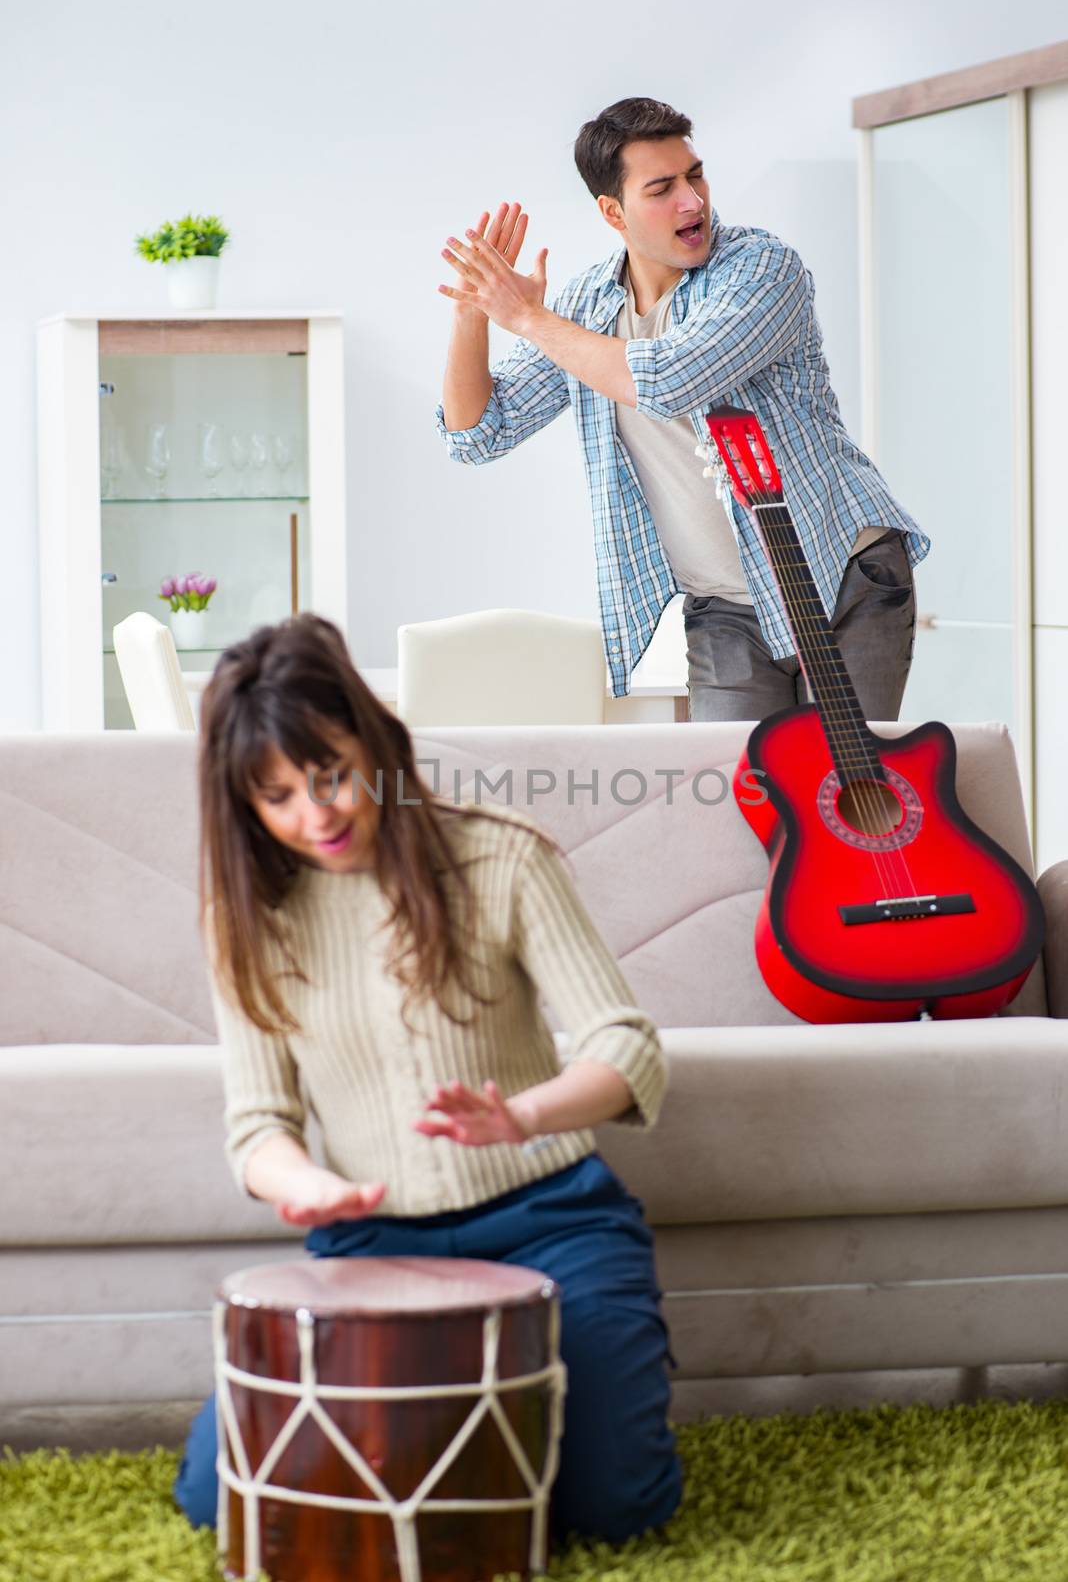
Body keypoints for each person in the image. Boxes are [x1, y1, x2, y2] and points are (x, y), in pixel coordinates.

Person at [172, 612, 682, 1548]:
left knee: (616, 1511)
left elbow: (628, 1046)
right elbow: (258, 1128)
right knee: (223, 1501)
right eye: (276, 796)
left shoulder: (502, 853)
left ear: (375, 744)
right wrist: (311, 1187)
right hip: (369, 1242)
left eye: (329, 774)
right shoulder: (245, 919)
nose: (313, 815)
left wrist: (521, 1114)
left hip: (552, 1218)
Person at [436, 96, 930, 723]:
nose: (693, 201)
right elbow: (478, 433)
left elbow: (672, 376)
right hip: (724, 609)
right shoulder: (588, 304)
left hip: (840, 579)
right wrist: (474, 313)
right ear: (613, 211)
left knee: (841, 807)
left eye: (695, 175)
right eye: (662, 188)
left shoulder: (759, 268)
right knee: (737, 808)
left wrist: (528, 318)